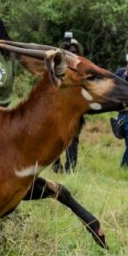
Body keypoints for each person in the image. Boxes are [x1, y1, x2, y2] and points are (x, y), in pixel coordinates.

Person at [54, 32, 85, 173]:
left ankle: (70, 168)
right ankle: (56, 166)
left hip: (74, 110)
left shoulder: (82, 69)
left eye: (73, 51)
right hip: (59, 109)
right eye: (68, 51)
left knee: (73, 140)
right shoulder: (57, 67)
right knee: (55, 138)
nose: (71, 53)